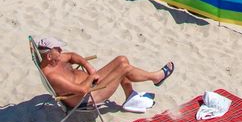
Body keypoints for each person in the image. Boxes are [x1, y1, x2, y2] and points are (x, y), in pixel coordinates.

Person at [36, 37, 172, 110]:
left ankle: (130, 96)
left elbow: (72, 56)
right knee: (123, 68)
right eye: (57, 49)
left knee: (121, 59)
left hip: (92, 83)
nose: (61, 51)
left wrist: (89, 67)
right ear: (48, 56)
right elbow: (82, 90)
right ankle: (155, 77)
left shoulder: (54, 60)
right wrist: (90, 78)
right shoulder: (53, 76)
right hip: (88, 97)